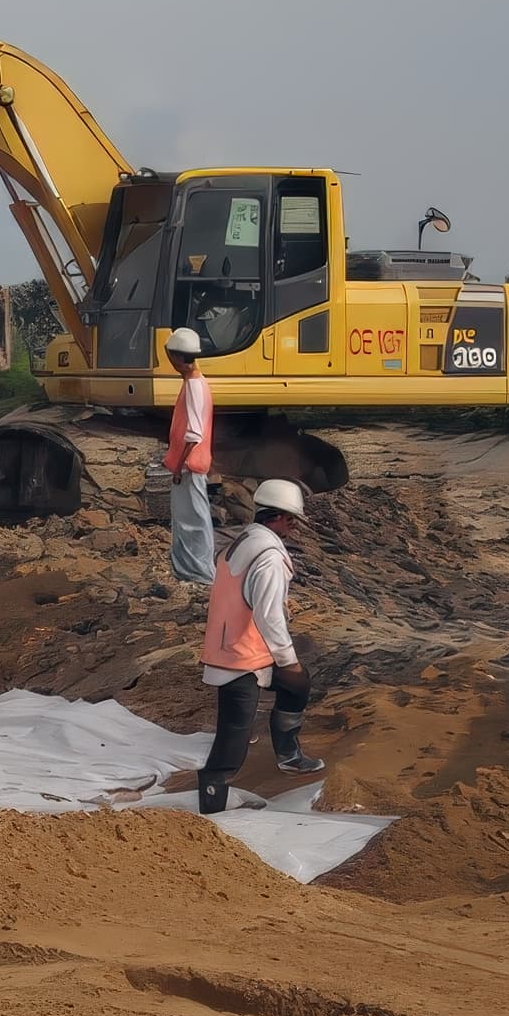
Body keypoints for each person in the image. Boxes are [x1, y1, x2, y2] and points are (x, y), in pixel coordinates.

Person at [196, 477, 322, 813]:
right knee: (233, 737)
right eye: (292, 519)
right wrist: (287, 658)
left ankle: (289, 756)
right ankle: (211, 803)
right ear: (278, 517)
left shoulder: (244, 541)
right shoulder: (268, 557)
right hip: (240, 657)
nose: (293, 526)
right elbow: (269, 616)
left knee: (298, 684)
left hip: (237, 648)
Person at [164, 326, 215, 585]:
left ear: (178, 359)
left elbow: (194, 433)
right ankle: (189, 570)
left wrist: (178, 466)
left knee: (194, 519)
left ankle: (200, 573)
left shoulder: (195, 386)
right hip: (189, 464)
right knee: (188, 518)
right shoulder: (195, 383)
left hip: (189, 465)